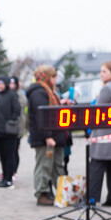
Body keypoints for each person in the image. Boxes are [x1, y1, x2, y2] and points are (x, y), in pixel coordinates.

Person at [26, 65, 71, 206]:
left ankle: (61, 193)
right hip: (45, 138)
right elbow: (42, 116)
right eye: (54, 77)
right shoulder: (39, 92)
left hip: (55, 136)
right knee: (44, 166)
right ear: (46, 76)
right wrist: (47, 136)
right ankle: (42, 193)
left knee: (57, 166)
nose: (56, 80)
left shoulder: (50, 92)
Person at [87, 60, 111, 207]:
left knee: (96, 166)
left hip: (103, 133)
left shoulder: (107, 89)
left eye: (104, 71)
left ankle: (91, 198)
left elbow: (98, 110)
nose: (101, 74)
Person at [0, 76, 20, 188]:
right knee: (1, 156)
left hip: (8, 132)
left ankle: (8, 179)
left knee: (9, 155)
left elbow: (17, 110)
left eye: (2, 84)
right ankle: (4, 177)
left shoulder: (11, 95)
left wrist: (9, 121)